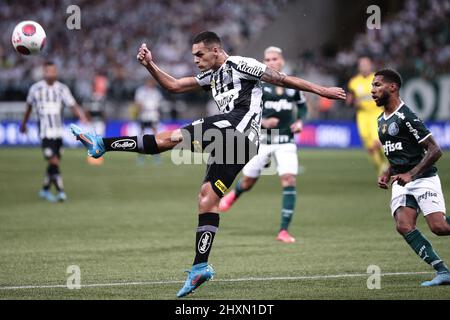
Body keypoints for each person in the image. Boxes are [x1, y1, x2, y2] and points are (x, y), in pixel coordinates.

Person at [70, 31, 346, 297]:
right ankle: (200, 267)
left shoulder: (240, 64)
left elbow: (282, 79)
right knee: (206, 199)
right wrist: (150, 65)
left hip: (238, 127)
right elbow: (174, 85)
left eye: (199, 54)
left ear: (216, 50)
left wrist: (322, 91)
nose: (195, 59)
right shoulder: (211, 75)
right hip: (235, 143)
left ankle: (102, 144)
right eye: (194, 55)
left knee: (172, 138)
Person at [219, 46, 307, 244]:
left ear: (281, 61)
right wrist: (263, 122)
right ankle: (236, 193)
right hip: (262, 141)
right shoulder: (258, 85)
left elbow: (302, 105)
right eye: (267, 59)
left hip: (285, 141)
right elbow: (244, 110)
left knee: (289, 179)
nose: (271, 62)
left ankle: (283, 230)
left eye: (274, 58)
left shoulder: (291, 84)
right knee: (249, 181)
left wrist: (300, 120)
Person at [374, 69, 450, 286]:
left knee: (440, 228)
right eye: (372, 85)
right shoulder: (381, 119)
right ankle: (443, 270)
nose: (373, 90)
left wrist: (412, 174)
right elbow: (397, 154)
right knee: (403, 224)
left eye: (378, 85)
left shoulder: (406, 116)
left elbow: (435, 150)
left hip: (423, 178)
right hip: (402, 180)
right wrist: (387, 172)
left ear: (393, 87)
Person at [20, 61, 87, 202]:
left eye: (53, 71)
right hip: (45, 133)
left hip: (58, 133)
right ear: (44, 72)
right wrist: (23, 124)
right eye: (48, 71)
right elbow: (28, 108)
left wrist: (81, 116)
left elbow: (72, 104)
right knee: (54, 161)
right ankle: (61, 192)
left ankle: (44, 190)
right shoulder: (36, 89)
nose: (51, 74)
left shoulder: (62, 89)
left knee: (54, 163)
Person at [347, 56, 389, 175]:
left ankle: (391, 165)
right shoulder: (354, 82)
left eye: (366, 64)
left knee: (378, 141)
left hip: (377, 113)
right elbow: (350, 100)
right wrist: (352, 101)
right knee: (369, 146)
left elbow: (387, 95)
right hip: (362, 115)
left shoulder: (378, 79)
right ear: (359, 67)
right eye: (362, 65)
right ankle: (381, 168)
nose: (364, 67)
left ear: (371, 65)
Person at [134, 78, 164, 164]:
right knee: (142, 135)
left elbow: (159, 104)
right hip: (143, 114)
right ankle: (141, 154)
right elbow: (137, 102)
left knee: (155, 135)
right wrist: (141, 106)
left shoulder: (156, 92)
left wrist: (157, 112)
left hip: (153, 114)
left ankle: (156, 154)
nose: (151, 84)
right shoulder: (141, 91)